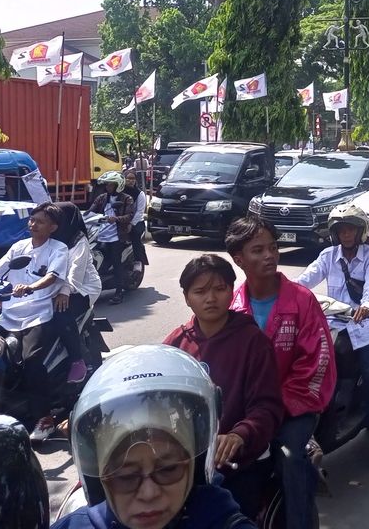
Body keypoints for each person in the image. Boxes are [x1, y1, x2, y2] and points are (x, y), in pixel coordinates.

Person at [59, 345, 257, 529]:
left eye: (169, 469)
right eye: (125, 477)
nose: (149, 493)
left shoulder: (219, 518)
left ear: (195, 465)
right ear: (99, 478)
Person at [226, 216, 335, 529]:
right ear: (238, 259)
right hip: (251, 410)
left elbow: (317, 363)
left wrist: (274, 407)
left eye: (272, 248)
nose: (269, 256)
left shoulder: (302, 301)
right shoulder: (232, 306)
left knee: (289, 457)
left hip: (294, 408)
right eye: (258, 250)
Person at [164, 254, 284, 517]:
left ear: (232, 291)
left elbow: (267, 406)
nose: (210, 298)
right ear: (186, 297)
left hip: (241, 460)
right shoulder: (175, 344)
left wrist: (239, 435)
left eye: (219, 289)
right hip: (188, 460)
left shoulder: (253, 341)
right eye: (200, 291)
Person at [295, 205, 369, 466]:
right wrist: (284, 291)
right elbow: (306, 278)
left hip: (366, 325)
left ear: (360, 232)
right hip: (334, 324)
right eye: (341, 230)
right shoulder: (328, 255)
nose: (346, 234)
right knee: (314, 370)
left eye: (350, 229)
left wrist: (367, 305)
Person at [0, 202, 70, 441]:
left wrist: (30, 287)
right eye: (32, 219)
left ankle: (45, 419)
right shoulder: (18, 247)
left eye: (40, 221)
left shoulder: (58, 249)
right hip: (7, 313)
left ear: (53, 227)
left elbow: (51, 277)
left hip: (37, 313)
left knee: (31, 360)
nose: (33, 224)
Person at [52, 202, 102, 388]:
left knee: (60, 314)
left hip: (82, 288)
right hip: (53, 286)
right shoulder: (48, 237)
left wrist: (65, 291)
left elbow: (76, 270)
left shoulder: (78, 240)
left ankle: (77, 360)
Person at [89, 171, 135, 305]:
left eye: (110, 185)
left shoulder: (127, 199)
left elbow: (129, 216)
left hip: (117, 236)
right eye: (107, 185)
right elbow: (91, 211)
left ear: (118, 185)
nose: (108, 187)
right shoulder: (102, 198)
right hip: (100, 235)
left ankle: (119, 292)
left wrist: (116, 219)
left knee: (116, 263)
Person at [123, 171, 150, 271]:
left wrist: (131, 223)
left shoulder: (139, 194)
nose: (130, 181)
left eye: (133, 179)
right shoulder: (120, 192)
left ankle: (138, 260)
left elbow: (139, 212)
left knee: (135, 236)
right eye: (128, 178)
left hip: (136, 221)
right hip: (122, 220)